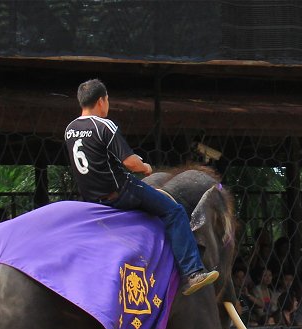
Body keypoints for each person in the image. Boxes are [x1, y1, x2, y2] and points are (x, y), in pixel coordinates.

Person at [64, 79, 217, 296]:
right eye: (107, 100)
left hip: (92, 199)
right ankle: (192, 272)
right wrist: (145, 166)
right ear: (101, 101)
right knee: (174, 211)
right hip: (121, 193)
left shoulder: (70, 129)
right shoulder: (103, 125)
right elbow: (129, 162)